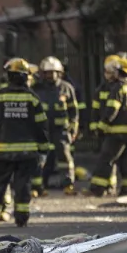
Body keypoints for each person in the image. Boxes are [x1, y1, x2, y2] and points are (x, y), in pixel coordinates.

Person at [0, 58, 48, 228]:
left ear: (9, 76)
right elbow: (41, 127)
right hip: (27, 153)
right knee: (23, 185)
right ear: (25, 77)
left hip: (2, 152)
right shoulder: (32, 98)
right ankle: (21, 218)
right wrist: (43, 150)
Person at [89, 57, 127, 197]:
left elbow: (112, 108)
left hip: (116, 131)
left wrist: (102, 126)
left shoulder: (119, 86)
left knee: (106, 158)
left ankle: (97, 188)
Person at [34, 56, 78, 196]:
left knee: (65, 158)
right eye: (47, 72)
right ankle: (40, 186)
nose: (50, 75)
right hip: (43, 131)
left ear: (59, 73)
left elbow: (74, 111)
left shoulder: (66, 88)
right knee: (42, 159)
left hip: (61, 131)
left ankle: (68, 184)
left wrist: (74, 128)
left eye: (53, 72)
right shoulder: (36, 89)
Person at [90, 54, 125, 194]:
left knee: (111, 159)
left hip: (115, 130)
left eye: (111, 72)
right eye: (107, 72)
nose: (108, 75)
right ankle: (109, 187)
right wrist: (95, 128)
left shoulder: (119, 87)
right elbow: (95, 111)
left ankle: (102, 188)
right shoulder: (101, 89)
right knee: (109, 159)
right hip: (105, 129)